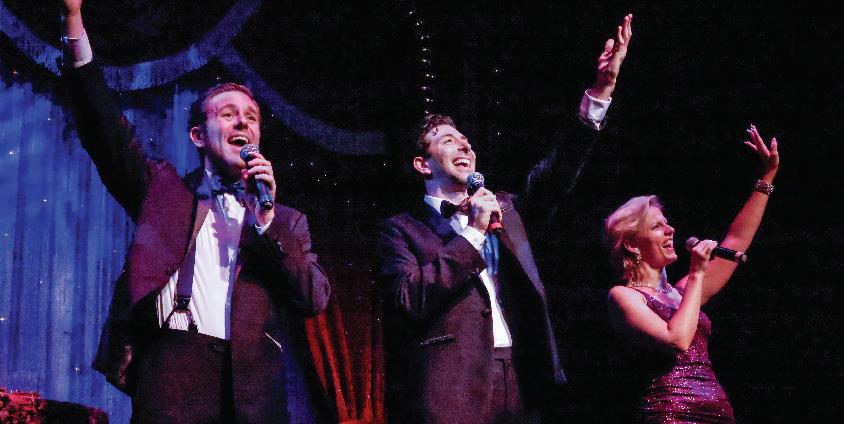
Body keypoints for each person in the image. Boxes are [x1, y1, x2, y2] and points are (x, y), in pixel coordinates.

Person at [60, 1, 331, 422]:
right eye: (228, 115)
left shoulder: (286, 220)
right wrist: (73, 22)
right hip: (175, 371)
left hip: (254, 388)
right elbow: (105, 131)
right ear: (198, 136)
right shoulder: (164, 190)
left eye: (251, 118)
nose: (243, 124)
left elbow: (314, 298)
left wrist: (266, 222)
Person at [376, 15, 633, 424]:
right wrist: (472, 235)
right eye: (448, 140)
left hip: (522, 377)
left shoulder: (506, 207)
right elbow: (407, 300)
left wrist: (601, 91)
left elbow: (559, 170)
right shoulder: (401, 229)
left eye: (466, 141)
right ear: (423, 164)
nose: (464, 146)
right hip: (452, 388)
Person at [604, 125, 779, 423]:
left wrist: (767, 177)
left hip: (717, 413)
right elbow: (677, 340)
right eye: (657, 226)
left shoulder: (682, 292)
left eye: (667, 223)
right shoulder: (623, 296)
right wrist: (697, 273)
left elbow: (736, 240)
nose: (670, 229)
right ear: (632, 244)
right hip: (670, 413)